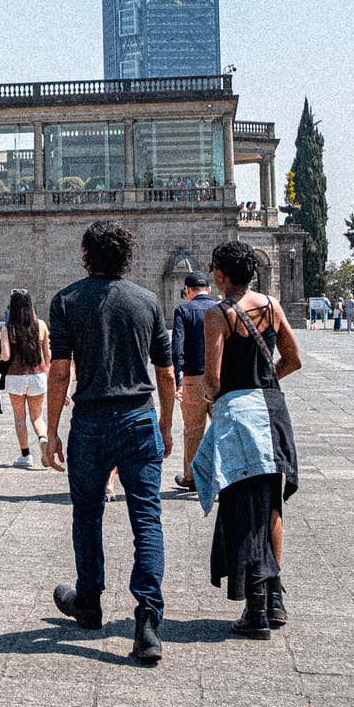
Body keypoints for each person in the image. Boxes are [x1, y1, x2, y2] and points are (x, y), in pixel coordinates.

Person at [42, 220, 175, 664]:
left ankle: (90, 601)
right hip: (140, 419)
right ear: (126, 259)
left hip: (91, 421)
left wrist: (51, 431)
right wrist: (168, 426)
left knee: (87, 513)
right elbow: (166, 373)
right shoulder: (148, 302)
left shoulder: (67, 301)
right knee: (147, 519)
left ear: (86, 256)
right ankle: (148, 620)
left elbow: (60, 371)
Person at [195, 239, 303, 639]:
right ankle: (275, 598)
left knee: (242, 505)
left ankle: (255, 607)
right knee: (271, 504)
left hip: (240, 416)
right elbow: (293, 358)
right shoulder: (272, 307)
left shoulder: (218, 315)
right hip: (273, 412)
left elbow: (212, 376)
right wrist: (266, 382)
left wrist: (211, 401)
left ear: (221, 275)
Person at [171, 272, 219, 491]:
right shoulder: (221, 309)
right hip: (221, 378)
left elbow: (177, 347)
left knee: (193, 430)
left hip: (193, 377)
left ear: (188, 291)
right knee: (221, 429)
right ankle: (222, 477)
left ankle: (191, 477)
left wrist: (178, 378)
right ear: (209, 290)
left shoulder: (183, 310)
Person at [0, 288, 51, 469]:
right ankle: (43, 439)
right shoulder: (41, 325)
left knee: (20, 417)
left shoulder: (8, 328)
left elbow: (5, 355)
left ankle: (26, 455)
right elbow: (48, 355)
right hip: (38, 375)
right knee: (37, 416)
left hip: (16, 377)